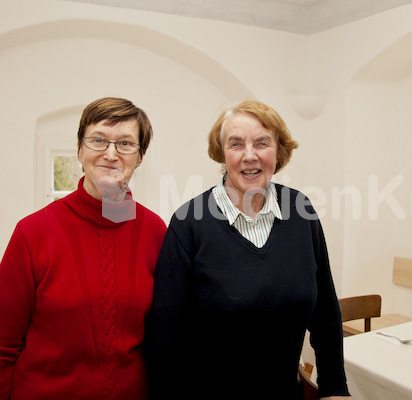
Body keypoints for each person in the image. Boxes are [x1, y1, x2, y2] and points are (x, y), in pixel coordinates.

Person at [144, 100, 352, 399]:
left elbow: (326, 314)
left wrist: (335, 387)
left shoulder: (301, 211)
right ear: (222, 152)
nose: (249, 156)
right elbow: (163, 336)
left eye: (262, 143)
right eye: (236, 144)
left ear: (279, 151)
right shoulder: (189, 223)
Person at [0, 97, 167, 400]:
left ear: (139, 156)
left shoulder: (156, 232)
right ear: (79, 150)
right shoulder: (32, 233)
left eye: (126, 144)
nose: (111, 154)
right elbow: (3, 345)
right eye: (98, 140)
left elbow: (164, 337)